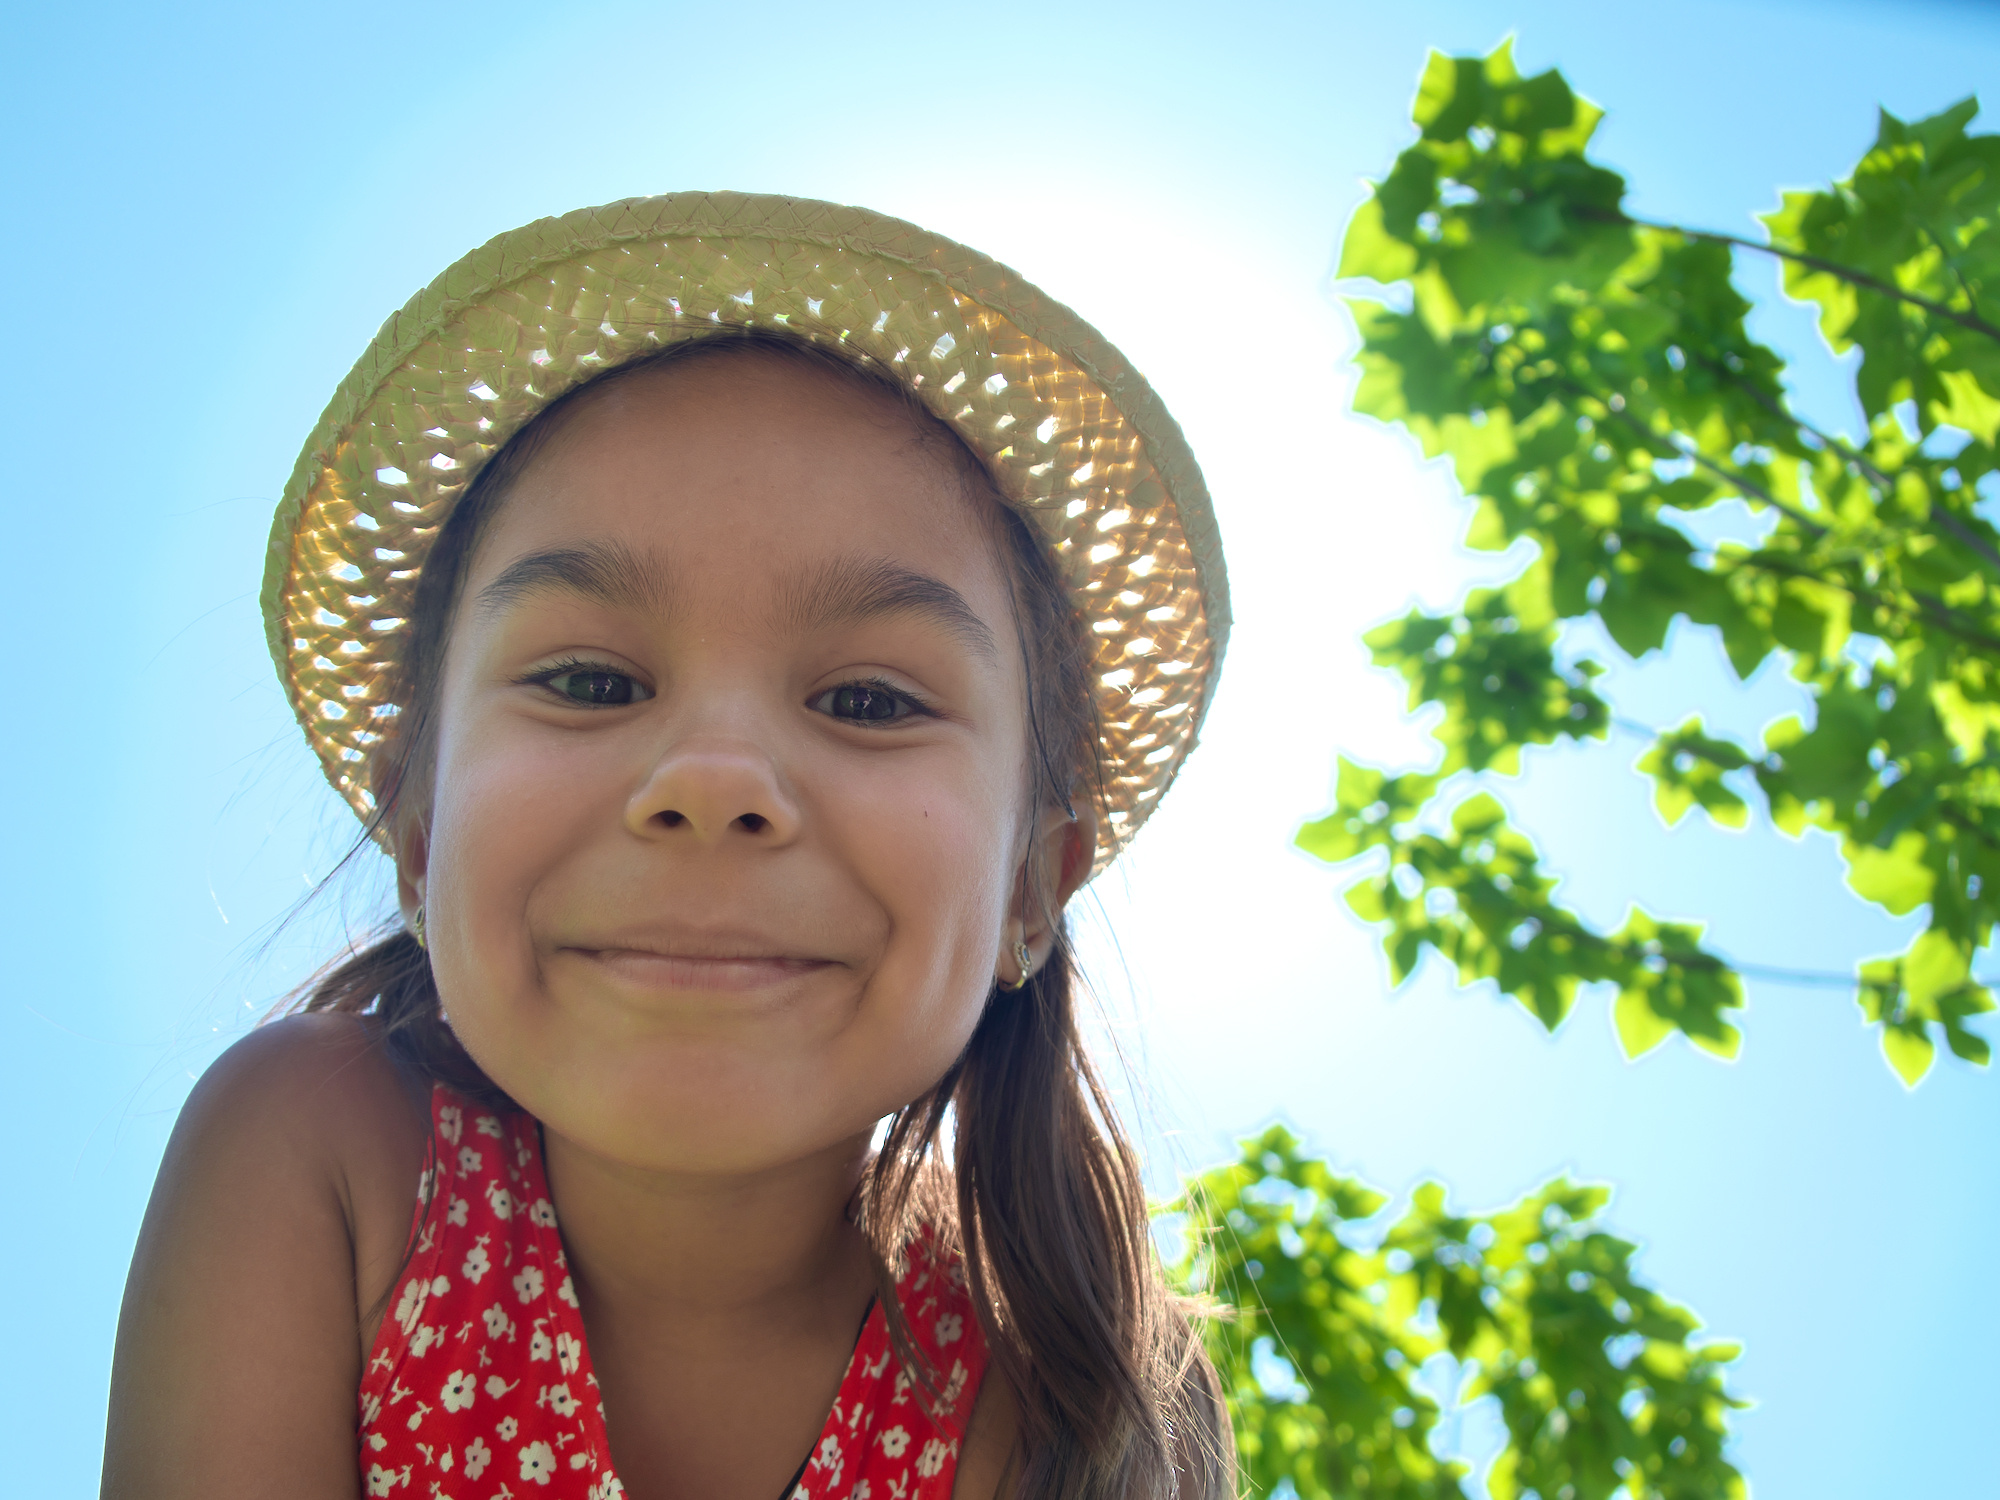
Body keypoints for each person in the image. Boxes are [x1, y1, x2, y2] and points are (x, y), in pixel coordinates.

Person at [102, 193, 1233, 1500]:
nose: (712, 782)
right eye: (589, 681)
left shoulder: (1073, 1375)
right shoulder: (325, 1162)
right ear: (415, 834)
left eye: (868, 700)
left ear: (1036, 884)